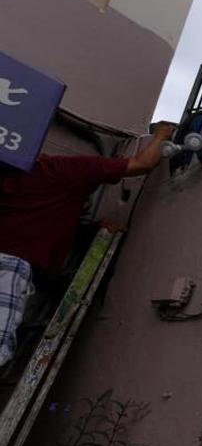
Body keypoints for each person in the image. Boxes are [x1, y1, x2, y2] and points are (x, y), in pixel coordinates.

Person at [0, 123, 176, 368]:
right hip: (10, 267)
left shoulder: (14, 176)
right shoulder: (73, 170)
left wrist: (94, 229)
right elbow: (141, 164)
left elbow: (33, 218)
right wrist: (162, 134)